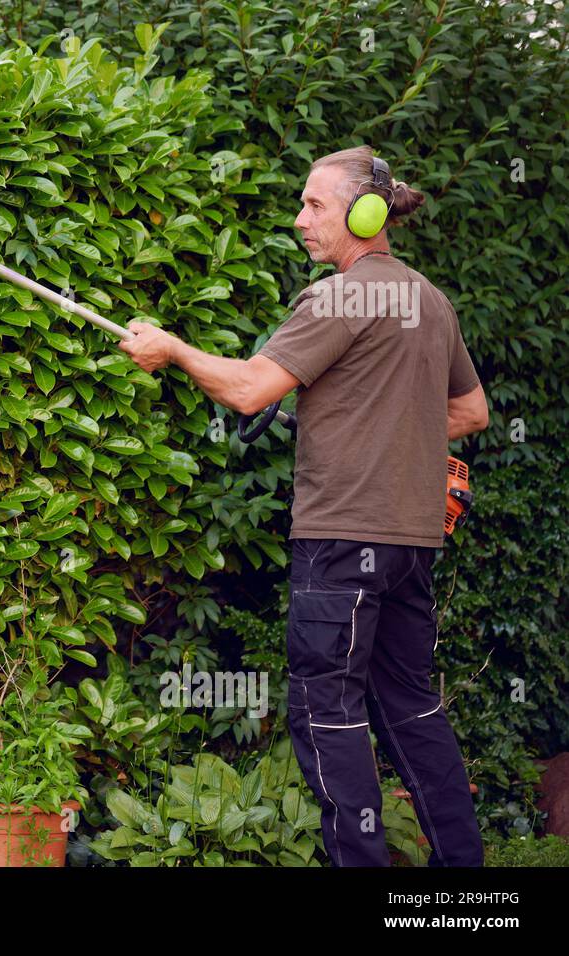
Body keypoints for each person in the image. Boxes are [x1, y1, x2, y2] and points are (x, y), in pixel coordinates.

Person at [120, 145, 489, 866]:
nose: (300, 220)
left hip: (344, 541)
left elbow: (250, 388)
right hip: (412, 544)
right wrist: (376, 418)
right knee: (411, 708)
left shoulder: (340, 296)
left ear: (367, 212)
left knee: (327, 713)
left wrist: (173, 350)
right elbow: (471, 410)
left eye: (315, 205)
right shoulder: (429, 300)